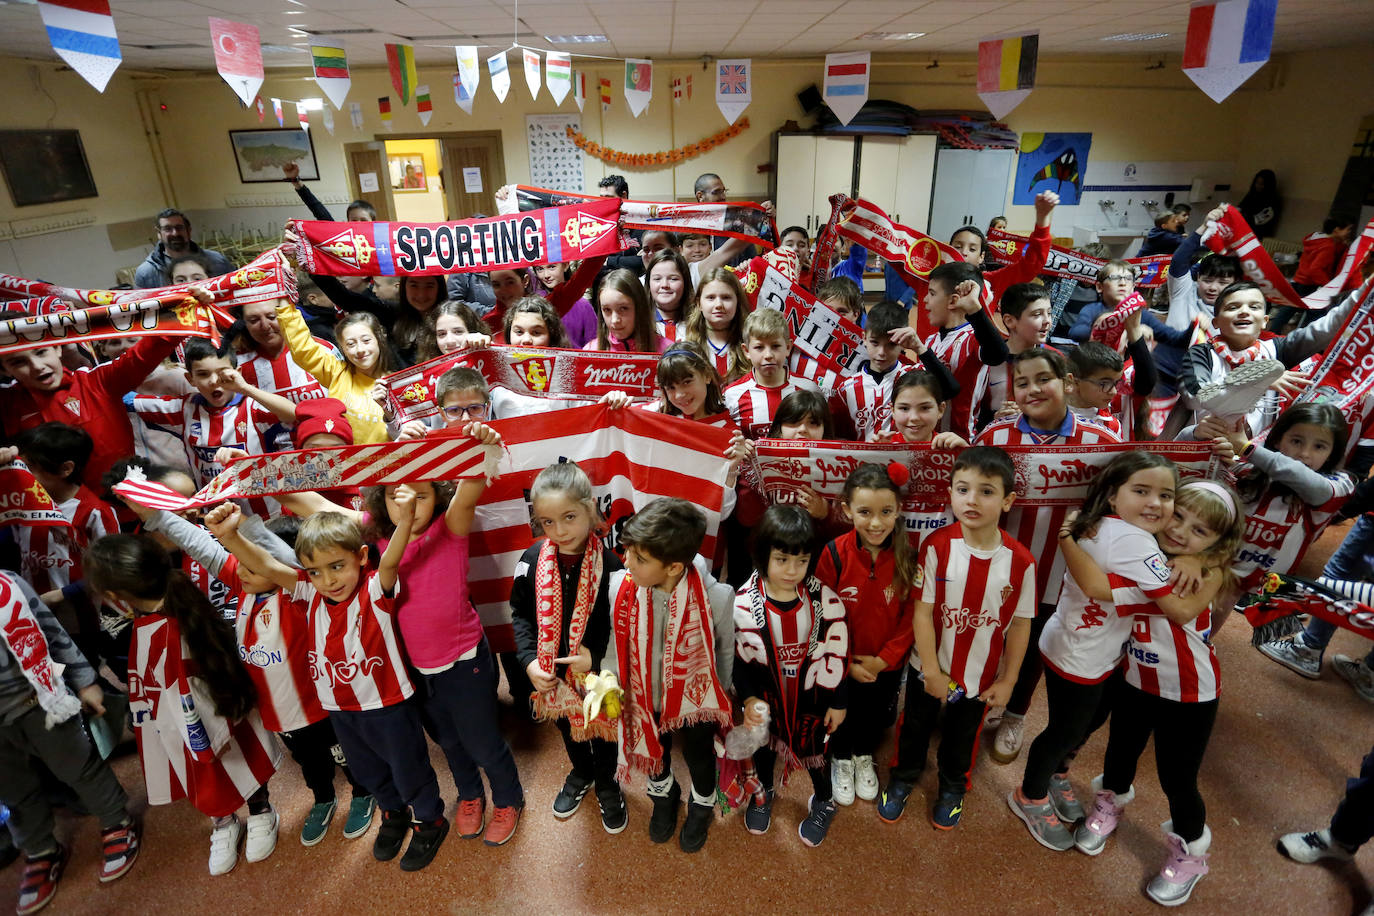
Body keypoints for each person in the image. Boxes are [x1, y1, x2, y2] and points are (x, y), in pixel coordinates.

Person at [204, 503, 451, 871]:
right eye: (316, 571)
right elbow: (270, 566)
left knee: (408, 768)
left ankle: (430, 818)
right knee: (369, 771)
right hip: (341, 710)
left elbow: (390, 562)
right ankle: (393, 812)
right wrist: (228, 536)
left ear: (361, 557)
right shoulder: (308, 594)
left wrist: (403, 522)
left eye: (337, 566)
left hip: (388, 706)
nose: (329, 580)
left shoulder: (375, 588)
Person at [126, 499, 377, 849]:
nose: (242, 570)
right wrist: (157, 516)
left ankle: (364, 792)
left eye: (254, 565)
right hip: (279, 716)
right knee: (309, 764)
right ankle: (323, 799)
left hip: (321, 709)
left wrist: (246, 525)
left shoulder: (300, 596)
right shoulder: (243, 589)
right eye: (240, 563)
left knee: (345, 756)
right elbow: (203, 548)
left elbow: (272, 556)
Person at [1061, 479, 1243, 906]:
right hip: (1135, 680)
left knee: (1177, 779)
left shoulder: (1210, 571)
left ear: (1218, 542)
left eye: (1200, 530)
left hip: (1190, 694)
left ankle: (1192, 851)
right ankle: (1108, 806)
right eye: (1178, 515)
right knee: (1119, 755)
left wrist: (1202, 560)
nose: (1181, 531)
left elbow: (1100, 589)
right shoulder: (1142, 552)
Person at [1008, 452, 1179, 853]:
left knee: (1086, 722)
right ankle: (1029, 796)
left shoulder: (1101, 524)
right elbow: (1179, 606)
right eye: (1142, 491)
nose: (1156, 503)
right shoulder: (1134, 541)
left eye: (1167, 495)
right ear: (1113, 495)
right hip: (1080, 657)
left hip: (1082, 646)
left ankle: (1056, 775)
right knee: (1065, 730)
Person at [84, 533, 282, 877]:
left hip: (216, 710)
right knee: (194, 768)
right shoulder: (145, 621)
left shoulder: (180, 615)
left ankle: (261, 808)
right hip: (172, 719)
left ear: (114, 595)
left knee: (237, 756)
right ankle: (222, 819)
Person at [974, 349, 1122, 762]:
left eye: (1044, 379)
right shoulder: (994, 438)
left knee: (1036, 646)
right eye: (1022, 382)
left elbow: (1124, 502)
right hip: (998, 569)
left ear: (1068, 383)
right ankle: (988, 697)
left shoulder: (1103, 445)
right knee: (989, 636)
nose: (1032, 389)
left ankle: (1017, 712)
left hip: (1059, 574)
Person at [881, 447, 1034, 829]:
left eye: (986, 491)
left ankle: (953, 786)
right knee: (914, 724)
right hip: (928, 667)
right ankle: (902, 777)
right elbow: (922, 611)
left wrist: (1009, 679)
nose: (972, 500)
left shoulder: (1021, 561)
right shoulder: (937, 546)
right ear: (949, 493)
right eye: (962, 489)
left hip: (979, 674)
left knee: (964, 735)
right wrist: (931, 670)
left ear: (1007, 501)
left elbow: (1019, 625)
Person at [0, 570, 139, 915]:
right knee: (13, 790)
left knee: (80, 765)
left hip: (40, 700)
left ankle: (115, 820)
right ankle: (40, 849)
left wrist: (84, 680)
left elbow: (49, 629)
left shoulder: (8, 585)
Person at [612, 499, 735, 853]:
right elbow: (614, 640)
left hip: (695, 702)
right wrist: (609, 679)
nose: (627, 562)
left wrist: (717, 698)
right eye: (629, 552)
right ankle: (663, 793)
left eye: (640, 558)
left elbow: (724, 653)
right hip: (643, 696)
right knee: (656, 752)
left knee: (698, 755)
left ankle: (702, 801)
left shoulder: (717, 598)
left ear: (674, 567)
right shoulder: (622, 588)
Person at [510, 462, 627, 833]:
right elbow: (521, 615)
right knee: (567, 729)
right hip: (553, 678)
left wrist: (594, 652)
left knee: (604, 728)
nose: (559, 531)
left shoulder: (611, 566)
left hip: (599, 675)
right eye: (547, 522)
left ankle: (607, 780)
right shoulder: (530, 561)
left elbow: (619, 620)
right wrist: (529, 661)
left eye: (569, 517)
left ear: (590, 509)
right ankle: (581, 771)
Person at [732, 504, 848, 846]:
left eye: (801, 560)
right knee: (765, 749)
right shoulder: (742, 604)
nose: (792, 570)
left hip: (813, 700)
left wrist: (839, 702)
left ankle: (824, 800)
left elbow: (838, 652)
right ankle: (764, 791)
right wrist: (750, 697)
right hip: (768, 699)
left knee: (817, 756)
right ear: (762, 553)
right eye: (782, 559)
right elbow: (739, 661)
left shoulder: (825, 602)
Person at [814, 463, 915, 809]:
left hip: (885, 664)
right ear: (846, 510)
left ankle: (862, 755)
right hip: (842, 663)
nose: (876, 523)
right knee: (841, 712)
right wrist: (847, 661)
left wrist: (885, 658)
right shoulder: (832, 554)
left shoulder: (908, 555)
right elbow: (822, 613)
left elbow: (912, 616)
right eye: (865, 512)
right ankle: (841, 758)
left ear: (899, 509)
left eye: (886, 512)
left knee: (873, 714)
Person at [0, 320, 183, 490]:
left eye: (41, 352)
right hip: (56, 518)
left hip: (129, 510)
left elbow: (159, 341)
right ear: (4, 369)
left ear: (57, 347)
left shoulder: (99, 382)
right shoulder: (7, 403)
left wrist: (187, 306)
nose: (37, 366)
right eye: (18, 362)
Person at [1181, 281, 1358, 438]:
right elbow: (1197, 398)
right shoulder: (1201, 353)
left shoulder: (1277, 348)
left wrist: (1365, 292)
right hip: (1201, 444)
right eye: (1233, 307)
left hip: (1251, 454)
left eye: (1254, 307)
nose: (1244, 312)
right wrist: (1260, 380)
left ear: (1265, 321)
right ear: (1216, 322)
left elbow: (1326, 328)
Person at [132, 339, 299, 490]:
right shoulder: (183, 408)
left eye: (222, 373)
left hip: (268, 514)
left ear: (237, 373)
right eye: (203, 374)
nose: (213, 381)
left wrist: (245, 388)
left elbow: (294, 413)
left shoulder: (253, 406)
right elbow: (124, 398)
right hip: (214, 515)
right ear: (190, 379)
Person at [277, 303, 394, 444]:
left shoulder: (396, 382)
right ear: (342, 348)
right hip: (344, 461)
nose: (360, 349)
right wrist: (285, 306)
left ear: (379, 339)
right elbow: (302, 348)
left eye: (366, 340)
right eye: (351, 344)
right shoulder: (336, 372)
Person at [918, 263, 1009, 440]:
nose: (925, 300)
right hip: (928, 440)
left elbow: (998, 354)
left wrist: (974, 308)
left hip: (961, 442)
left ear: (953, 301)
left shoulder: (973, 338)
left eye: (932, 293)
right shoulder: (930, 341)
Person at [724, 309, 818, 439]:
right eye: (759, 347)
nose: (768, 355)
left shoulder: (809, 389)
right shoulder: (732, 395)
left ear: (788, 348)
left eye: (775, 346)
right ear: (746, 351)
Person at [1067, 328, 1157, 441]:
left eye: (1116, 383)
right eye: (1104, 383)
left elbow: (1147, 379)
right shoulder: (1049, 413)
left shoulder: (1112, 426)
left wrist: (1134, 331)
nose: (1114, 391)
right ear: (1073, 382)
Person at [133, 208, 234, 288]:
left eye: (179, 228)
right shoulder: (146, 273)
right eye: (168, 229)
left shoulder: (217, 260)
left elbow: (236, 288)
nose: (175, 233)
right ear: (159, 233)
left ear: (189, 230)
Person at [684, 268, 751, 382]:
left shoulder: (752, 344)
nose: (719, 304)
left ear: (737, 302)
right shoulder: (686, 344)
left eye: (726, 297)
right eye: (711, 298)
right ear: (699, 303)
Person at [585, 268, 665, 353]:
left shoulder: (666, 352)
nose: (615, 320)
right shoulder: (590, 351)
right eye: (607, 310)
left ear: (639, 308)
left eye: (623, 308)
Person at [645, 250, 693, 342]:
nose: (664, 285)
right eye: (657, 279)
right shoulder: (639, 322)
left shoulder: (698, 322)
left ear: (685, 282)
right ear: (648, 283)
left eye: (673, 279)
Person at [1237, 169, 1280, 240]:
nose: (1259, 186)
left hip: (1257, 234)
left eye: (1262, 184)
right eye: (1257, 183)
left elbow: (1259, 219)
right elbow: (1240, 207)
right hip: (1242, 230)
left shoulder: (1272, 200)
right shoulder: (1251, 195)